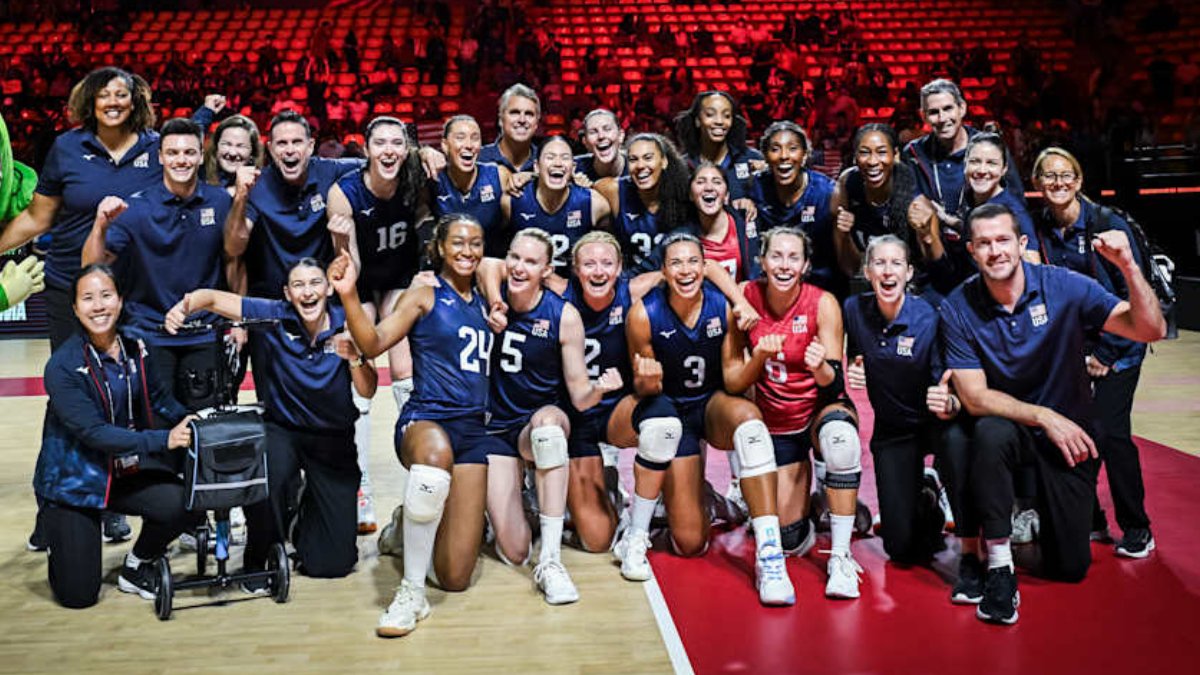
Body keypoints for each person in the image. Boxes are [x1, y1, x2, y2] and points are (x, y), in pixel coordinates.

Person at [940, 202, 1166, 625]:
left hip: (1069, 437)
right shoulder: (957, 306)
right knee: (986, 431)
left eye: (1003, 240)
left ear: (1021, 243)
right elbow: (974, 397)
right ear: (971, 250)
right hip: (1013, 429)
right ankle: (1000, 567)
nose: (995, 251)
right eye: (984, 243)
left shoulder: (1063, 286)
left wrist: (1129, 266)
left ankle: (1026, 507)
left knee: (1070, 567)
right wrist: (1044, 415)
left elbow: (1149, 329)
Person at [328, 214, 495, 638]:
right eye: (458, 242)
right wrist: (349, 295)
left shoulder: (486, 299)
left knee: (455, 577)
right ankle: (410, 593)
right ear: (439, 247)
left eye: (475, 243)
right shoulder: (423, 294)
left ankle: (409, 524)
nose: (467, 251)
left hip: (473, 431)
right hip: (426, 418)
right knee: (433, 461)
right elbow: (373, 343)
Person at [609, 233, 795, 606]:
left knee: (751, 423)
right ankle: (697, 495)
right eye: (676, 263)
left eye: (693, 261)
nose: (686, 270)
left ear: (705, 267)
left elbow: (733, 380)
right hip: (669, 415)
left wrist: (758, 358)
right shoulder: (643, 315)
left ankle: (770, 555)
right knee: (690, 543)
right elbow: (644, 389)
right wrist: (647, 381)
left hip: (709, 405)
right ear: (663, 271)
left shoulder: (721, 307)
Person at [165, 258, 378, 582]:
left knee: (332, 565)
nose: (307, 292)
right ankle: (259, 553)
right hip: (283, 430)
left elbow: (368, 388)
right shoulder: (274, 315)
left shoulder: (347, 321)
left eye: (315, 283)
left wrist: (355, 358)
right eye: (298, 285)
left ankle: (299, 519)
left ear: (328, 289)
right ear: (287, 294)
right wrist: (184, 306)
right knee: (264, 474)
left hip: (333, 436)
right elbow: (214, 299)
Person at [35, 264, 201, 608]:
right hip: (74, 483)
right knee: (79, 596)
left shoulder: (136, 346)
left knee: (184, 502)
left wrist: (192, 420)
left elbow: (159, 399)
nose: (98, 306)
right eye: (88, 298)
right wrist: (163, 440)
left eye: (106, 295)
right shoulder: (62, 366)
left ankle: (136, 565)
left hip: (122, 470)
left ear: (120, 300)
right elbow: (94, 433)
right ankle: (58, 533)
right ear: (75, 308)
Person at [478, 228, 623, 605]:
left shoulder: (563, 315)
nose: (519, 267)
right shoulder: (490, 295)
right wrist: (495, 301)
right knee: (514, 552)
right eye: (515, 257)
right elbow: (485, 263)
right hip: (495, 430)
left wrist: (599, 389)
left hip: (538, 420)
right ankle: (521, 503)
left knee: (548, 433)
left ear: (547, 270)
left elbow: (579, 396)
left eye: (531, 262)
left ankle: (551, 561)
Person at [1032, 147, 1157, 559]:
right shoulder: (1039, 229)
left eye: (1065, 175)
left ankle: (1137, 526)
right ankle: (1091, 518)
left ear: (1079, 180)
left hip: (1120, 344)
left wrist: (1105, 353)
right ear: (1037, 184)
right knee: (1073, 434)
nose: (1058, 182)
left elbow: (1133, 295)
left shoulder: (1107, 224)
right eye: (1049, 176)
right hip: (1073, 352)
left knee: (1110, 433)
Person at [843, 235, 979, 602]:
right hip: (894, 429)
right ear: (867, 271)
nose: (888, 272)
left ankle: (971, 539)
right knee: (900, 549)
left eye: (896, 264)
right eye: (879, 263)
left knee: (959, 447)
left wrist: (948, 401)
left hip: (937, 423)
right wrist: (856, 366)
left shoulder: (930, 317)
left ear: (909, 272)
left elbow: (947, 380)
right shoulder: (854, 309)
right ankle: (926, 499)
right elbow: (856, 353)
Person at [737, 227, 867, 599]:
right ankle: (820, 502)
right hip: (779, 423)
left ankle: (840, 557)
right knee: (789, 539)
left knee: (841, 441)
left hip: (819, 409)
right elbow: (712, 268)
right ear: (762, 262)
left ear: (806, 265)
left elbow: (834, 381)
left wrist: (819, 367)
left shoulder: (822, 303)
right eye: (776, 256)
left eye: (793, 257)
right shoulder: (746, 296)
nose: (784, 265)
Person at [326, 116, 433, 534]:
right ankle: (362, 488)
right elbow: (349, 265)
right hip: (362, 282)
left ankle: (419, 483)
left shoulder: (414, 181)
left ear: (406, 149)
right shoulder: (344, 193)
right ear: (367, 149)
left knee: (405, 368)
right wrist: (339, 241)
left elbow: (424, 225)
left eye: (396, 143)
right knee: (359, 358)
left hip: (399, 278)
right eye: (380, 143)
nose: (389, 150)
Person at [81, 117, 232, 411]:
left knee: (206, 427)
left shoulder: (220, 202)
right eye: (173, 153)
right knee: (157, 427)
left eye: (189, 152)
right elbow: (92, 267)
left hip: (204, 332)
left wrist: (237, 324)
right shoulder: (134, 208)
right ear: (160, 156)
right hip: (150, 335)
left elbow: (234, 261)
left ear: (202, 156)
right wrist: (99, 225)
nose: (181, 160)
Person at [545, 231, 659, 553]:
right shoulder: (560, 290)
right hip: (576, 414)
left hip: (616, 411)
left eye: (607, 263)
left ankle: (658, 506)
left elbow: (696, 267)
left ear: (620, 267)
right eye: (589, 264)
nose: (598, 271)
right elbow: (498, 266)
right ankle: (596, 482)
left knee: (663, 424)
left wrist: (740, 302)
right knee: (597, 541)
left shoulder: (632, 290)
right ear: (575, 269)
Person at [909, 132, 1041, 299]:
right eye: (975, 162)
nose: (981, 170)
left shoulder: (1012, 212)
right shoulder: (973, 198)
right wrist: (946, 219)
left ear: (1004, 169)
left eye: (991, 163)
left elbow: (1034, 268)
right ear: (965, 165)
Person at [902, 79, 1024, 227]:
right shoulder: (913, 153)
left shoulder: (991, 148)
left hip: (985, 235)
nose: (942, 118)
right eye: (934, 112)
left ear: (962, 108)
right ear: (923, 116)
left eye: (948, 109)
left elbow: (1017, 204)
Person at [749, 121, 846, 298]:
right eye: (775, 149)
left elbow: (846, 263)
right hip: (771, 288)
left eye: (792, 148)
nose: (784, 156)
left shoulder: (828, 192)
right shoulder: (755, 188)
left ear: (805, 155)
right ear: (766, 157)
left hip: (820, 289)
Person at [831, 124, 927, 282]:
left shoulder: (913, 188)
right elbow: (849, 268)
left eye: (881, 152)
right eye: (864, 152)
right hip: (866, 278)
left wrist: (927, 234)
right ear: (855, 157)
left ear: (895, 155)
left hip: (912, 280)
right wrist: (845, 236)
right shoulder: (847, 183)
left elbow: (933, 263)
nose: (873, 161)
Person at [504, 136, 610, 278]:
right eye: (550, 157)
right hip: (526, 282)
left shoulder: (594, 204)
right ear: (536, 166)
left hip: (573, 286)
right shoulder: (512, 200)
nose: (558, 163)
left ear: (573, 168)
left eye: (565, 158)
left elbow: (609, 245)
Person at [594, 133, 693, 275]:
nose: (640, 165)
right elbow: (579, 200)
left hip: (676, 279)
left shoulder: (684, 193)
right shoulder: (613, 190)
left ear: (664, 161)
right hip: (630, 280)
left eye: (648, 158)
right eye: (633, 159)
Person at [432, 115, 513, 257]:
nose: (469, 145)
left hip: (492, 262)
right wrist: (423, 152)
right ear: (445, 145)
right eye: (460, 137)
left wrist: (530, 176)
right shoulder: (433, 180)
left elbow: (516, 222)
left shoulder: (499, 175)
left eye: (475, 138)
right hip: (452, 263)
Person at [673, 91, 764, 207]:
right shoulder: (682, 167)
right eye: (710, 114)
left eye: (727, 116)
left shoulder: (752, 160)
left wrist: (766, 175)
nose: (719, 121)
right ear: (697, 120)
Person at [691, 163, 761, 283]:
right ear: (691, 195)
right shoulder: (681, 236)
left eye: (717, 182)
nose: (709, 187)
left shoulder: (746, 222)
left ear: (727, 196)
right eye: (700, 182)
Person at [479, 83, 540, 173]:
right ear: (501, 119)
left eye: (529, 114)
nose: (522, 120)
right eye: (515, 112)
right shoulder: (479, 160)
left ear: (536, 123)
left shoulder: (545, 161)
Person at [203, 114, 265, 190]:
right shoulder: (198, 179)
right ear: (216, 146)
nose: (232, 153)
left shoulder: (263, 187)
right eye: (226, 144)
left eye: (241, 146)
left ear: (252, 152)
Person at [573, 108, 626, 183]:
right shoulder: (573, 168)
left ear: (620, 136)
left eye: (607, 129)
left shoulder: (638, 164)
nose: (601, 136)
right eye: (593, 132)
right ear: (585, 142)